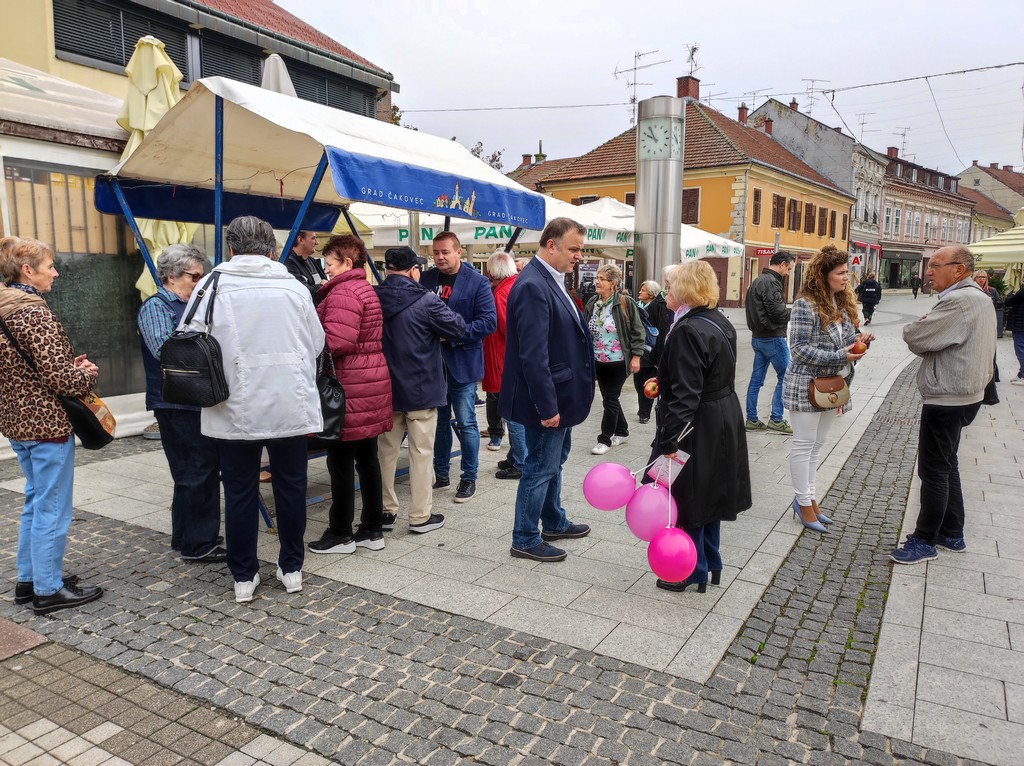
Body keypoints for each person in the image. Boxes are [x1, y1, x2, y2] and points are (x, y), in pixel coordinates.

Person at [179, 216, 325, 603]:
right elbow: (316, 342)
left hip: (233, 403)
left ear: (230, 248)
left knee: (240, 490)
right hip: (288, 401)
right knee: (291, 488)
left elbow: (191, 342)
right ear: (272, 250)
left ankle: (244, 574)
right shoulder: (294, 286)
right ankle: (291, 567)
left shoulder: (211, 286)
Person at [0, 237, 103, 614]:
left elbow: (23, 369)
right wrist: (85, 374)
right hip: (46, 424)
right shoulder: (33, 313)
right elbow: (61, 381)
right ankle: (48, 589)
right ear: (28, 270)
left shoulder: (4, 308)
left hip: (16, 422)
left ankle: (28, 581)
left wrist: (62, 368)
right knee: (53, 507)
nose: (56, 272)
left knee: (34, 500)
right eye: (49, 266)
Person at [651, 261, 751, 592]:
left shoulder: (688, 330)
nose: (666, 290)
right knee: (709, 496)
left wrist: (668, 439)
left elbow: (685, 396)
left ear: (685, 290)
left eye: (671, 284)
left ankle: (690, 569)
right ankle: (712, 562)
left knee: (688, 497)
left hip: (696, 423)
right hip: (720, 414)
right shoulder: (718, 320)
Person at [891, 247, 996, 563]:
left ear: (959, 269)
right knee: (948, 464)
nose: (929, 271)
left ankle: (925, 541)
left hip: (948, 397)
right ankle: (952, 532)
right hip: (967, 394)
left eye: (936, 265)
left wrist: (922, 325)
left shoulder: (959, 301)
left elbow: (916, 336)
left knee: (933, 469)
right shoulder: (980, 298)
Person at [501, 218, 595, 562]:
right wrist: (547, 407)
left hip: (561, 394)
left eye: (581, 249)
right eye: (574, 249)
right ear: (551, 245)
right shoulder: (532, 285)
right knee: (539, 466)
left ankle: (553, 520)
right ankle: (524, 537)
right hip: (545, 399)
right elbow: (533, 354)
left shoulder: (550, 279)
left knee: (554, 461)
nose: (579, 256)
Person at [137, 243, 224, 563]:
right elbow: (166, 352)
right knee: (195, 470)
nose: (199, 282)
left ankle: (184, 536)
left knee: (194, 471)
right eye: (194, 276)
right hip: (173, 403)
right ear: (172, 276)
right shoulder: (156, 307)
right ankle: (199, 544)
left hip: (194, 400)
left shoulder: (193, 305)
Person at [307, 235, 393, 555]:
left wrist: (308, 346)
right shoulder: (362, 288)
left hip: (349, 388)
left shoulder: (344, 291)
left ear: (347, 263)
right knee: (367, 460)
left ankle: (340, 532)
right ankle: (371, 529)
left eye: (329, 263)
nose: (325, 269)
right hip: (367, 385)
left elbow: (337, 341)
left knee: (341, 462)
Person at [376, 247, 466, 534]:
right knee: (421, 453)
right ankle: (419, 516)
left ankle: (385, 511)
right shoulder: (427, 299)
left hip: (385, 388)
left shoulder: (374, 296)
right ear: (413, 270)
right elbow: (459, 328)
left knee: (385, 453)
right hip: (421, 388)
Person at [783, 245, 873, 532]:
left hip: (832, 385)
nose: (847, 277)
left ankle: (810, 498)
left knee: (817, 447)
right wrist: (841, 356)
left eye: (847, 272)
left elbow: (847, 338)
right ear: (824, 275)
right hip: (806, 385)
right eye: (841, 273)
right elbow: (798, 349)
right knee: (803, 445)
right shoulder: (804, 304)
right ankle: (803, 502)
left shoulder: (840, 303)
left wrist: (862, 339)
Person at [420, 232, 496, 503]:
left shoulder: (477, 281)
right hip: (432, 364)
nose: (439, 257)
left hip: (462, 362)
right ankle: (441, 473)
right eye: (435, 253)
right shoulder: (426, 279)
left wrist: (453, 333)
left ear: (458, 252)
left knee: (466, 422)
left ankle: (468, 477)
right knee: (438, 422)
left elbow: (489, 322)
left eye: (444, 252)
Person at [584, 264, 645, 455]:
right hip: (598, 359)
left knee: (610, 398)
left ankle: (604, 439)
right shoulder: (593, 302)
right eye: (597, 278)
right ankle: (623, 430)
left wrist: (636, 356)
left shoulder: (625, 303)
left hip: (619, 360)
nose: (597, 282)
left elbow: (637, 330)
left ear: (613, 283)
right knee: (610, 398)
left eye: (602, 279)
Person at [482, 250, 526, 479]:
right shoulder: (516, 286)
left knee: (512, 414)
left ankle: (520, 462)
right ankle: (514, 456)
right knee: (513, 411)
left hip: (504, 361)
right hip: (511, 360)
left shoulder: (501, 293)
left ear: (492, 271)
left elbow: (508, 330)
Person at [744, 251, 795, 435]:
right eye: (788, 268)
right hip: (772, 337)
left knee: (756, 380)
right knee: (786, 376)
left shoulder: (757, 281)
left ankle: (752, 419)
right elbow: (779, 313)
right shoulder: (772, 282)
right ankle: (776, 419)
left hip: (757, 337)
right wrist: (795, 313)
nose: (788, 273)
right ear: (781, 264)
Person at [632, 279, 671, 424]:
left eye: (643, 290)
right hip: (638, 349)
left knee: (646, 382)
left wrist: (659, 357)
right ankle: (643, 405)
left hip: (652, 351)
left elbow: (662, 330)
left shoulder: (660, 306)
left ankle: (644, 413)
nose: (640, 292)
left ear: (651, 294)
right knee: (637, 382)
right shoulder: (636, 305)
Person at [285, 230, 327, 304]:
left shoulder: (314, 262)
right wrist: (322, 286)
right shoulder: (288, 264)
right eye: (313, 238)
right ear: (301, 240)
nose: (317, 242)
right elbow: (304, 292)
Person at [975, 270, 1004, 339]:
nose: (981, 279)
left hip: (988, 318)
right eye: (979, 277)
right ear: (974, 278)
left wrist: (993, 302)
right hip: (975, 318)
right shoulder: (970, 289)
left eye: (983, 277)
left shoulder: (992, 290)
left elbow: (1000, 303)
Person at [1006, 276, 1024, 385]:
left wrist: (1011, 294)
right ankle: (1020, 374)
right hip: (1020, 323)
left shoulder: (1022, 291)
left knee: (1020, 350)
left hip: (1020, 324)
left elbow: (1008, 302)